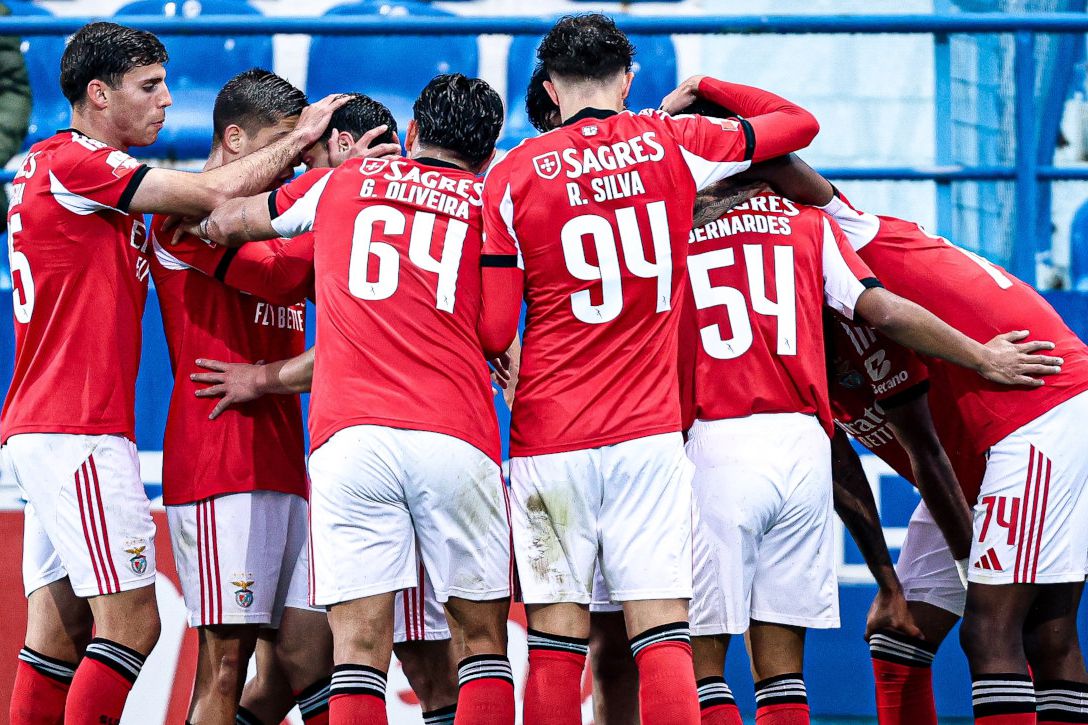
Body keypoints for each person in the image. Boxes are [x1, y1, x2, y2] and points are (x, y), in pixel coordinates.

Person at [477, 13, 824, 724]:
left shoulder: (510, 175)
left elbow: (491, 327)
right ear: (628, 79)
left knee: (553, 641)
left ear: (548, 85)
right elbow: (798, 123)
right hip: (648, 437)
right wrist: (706, 86)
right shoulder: (674, 142)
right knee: (662, 631)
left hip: (551, 438)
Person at [673, 131, 1088, 724]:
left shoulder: (844, 263)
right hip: (972, 456)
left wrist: (977, 565)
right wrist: (888, 582)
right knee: (900, 636)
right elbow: (836, 460)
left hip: (1029, 426)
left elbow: (924, 452)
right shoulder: (798, 305)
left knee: (1013, 629)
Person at [3, 21, 344, 725]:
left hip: (60, 425)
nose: (166, 103)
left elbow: (202, 192)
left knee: (58, 634)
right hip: (78, 428)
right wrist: (304, 146)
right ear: (98, 94)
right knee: (134, 625)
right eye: (149, 87)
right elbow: (210, 200)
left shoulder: (68, 170)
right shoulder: (74, 162)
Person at [190, 73, 513, 725]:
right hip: (455, 430)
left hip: (351, 440)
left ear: (414, 133)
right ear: (489, 150)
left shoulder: (341, 183)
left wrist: (312, 165)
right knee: (479, 647)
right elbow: (498, 332)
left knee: (355, 654)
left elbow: (219, 221)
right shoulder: (489, 202)